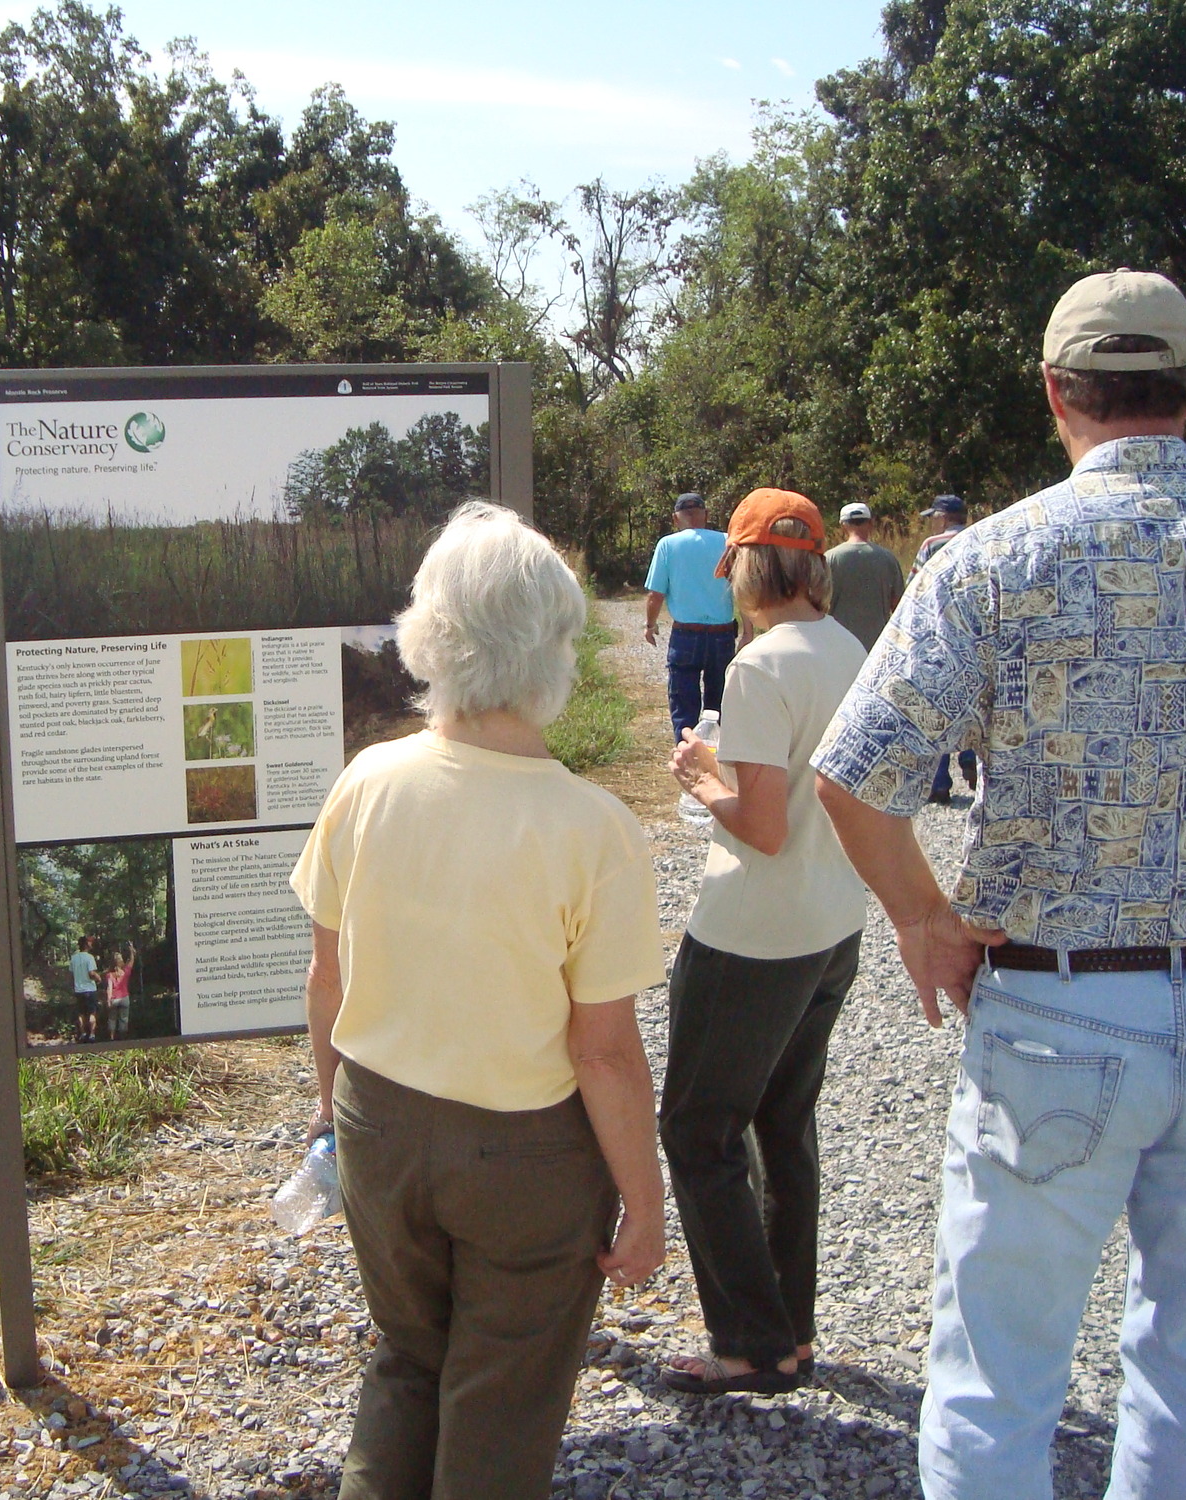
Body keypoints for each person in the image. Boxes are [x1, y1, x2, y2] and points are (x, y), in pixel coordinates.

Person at [813, 268, 1186, 1500]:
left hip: (1051, 1017)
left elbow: (854, 777)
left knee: (995, 1376)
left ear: (1052, 394)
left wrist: (924, 923)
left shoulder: (985, 563)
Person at [291, 500, 668, 1500]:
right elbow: (602, 1055)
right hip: (525, 1155)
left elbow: (325, 979)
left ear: (430, 635)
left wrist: (333, 1117)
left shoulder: (365, 782)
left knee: (405, 1356)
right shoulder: (593, 829)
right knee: (501, 1393)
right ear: (556, 647)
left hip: (376, 1122)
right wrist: (643, 1196)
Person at [657, 488, 870, 1396]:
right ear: (814, 561)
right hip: (833, 925)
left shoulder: (755, 668)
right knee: (784, 1123)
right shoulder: (848, 647)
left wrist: (699, 778)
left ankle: (749, 1344)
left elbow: (762, 827)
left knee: (699, 1132)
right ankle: (793, 1329)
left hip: (752, 935)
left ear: (744, 567)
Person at [644, 492, 744, 741]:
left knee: (683, 699)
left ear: (675, 519)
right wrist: (749, 631)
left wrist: (650, 625)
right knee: (719, 699)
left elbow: (656, 594)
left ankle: (686, 750)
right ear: (706, 515)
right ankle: (718, 753)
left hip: (686, 634)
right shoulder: (727, 541)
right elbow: (742, 588)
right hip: (722, 634)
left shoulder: (667, 545)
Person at [914, 495, 978, 803]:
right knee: (972, 700)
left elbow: (916, 589)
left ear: (943, 517)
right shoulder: (982, 536)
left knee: (939, 707)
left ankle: (939, 783)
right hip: (975, 633)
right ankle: (970, 760)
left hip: (939, 637)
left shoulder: (931, 545)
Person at [825, 501, 905, 652]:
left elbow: (818, 605)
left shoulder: (830, 558)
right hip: (878, 644)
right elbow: (898, 606)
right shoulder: (888, 558)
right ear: (870, 523)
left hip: (839, 644)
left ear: (843, 525)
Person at [70, 935, 100, 1042]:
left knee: (81, 1013)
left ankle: (82, 1033)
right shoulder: (89, 957)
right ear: (86, 944)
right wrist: (98, 977)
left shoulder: (74, 958)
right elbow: (91, 973)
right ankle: (92, 1035)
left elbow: (72, 974)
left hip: (78, 990)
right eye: (90, 942)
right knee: (92, 1013)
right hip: (90, 990)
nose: (91, 944)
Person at [106, 940, 135, 1040]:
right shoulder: (126, 971)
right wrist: (131, 951)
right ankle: (123, 1038)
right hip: (124, 997)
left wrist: (108, 1000)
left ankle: (112, 1038)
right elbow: (131, 961)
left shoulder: (110, 975)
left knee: (112, 1019)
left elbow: (109, 988)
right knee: (124, 1019)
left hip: (114, 999)